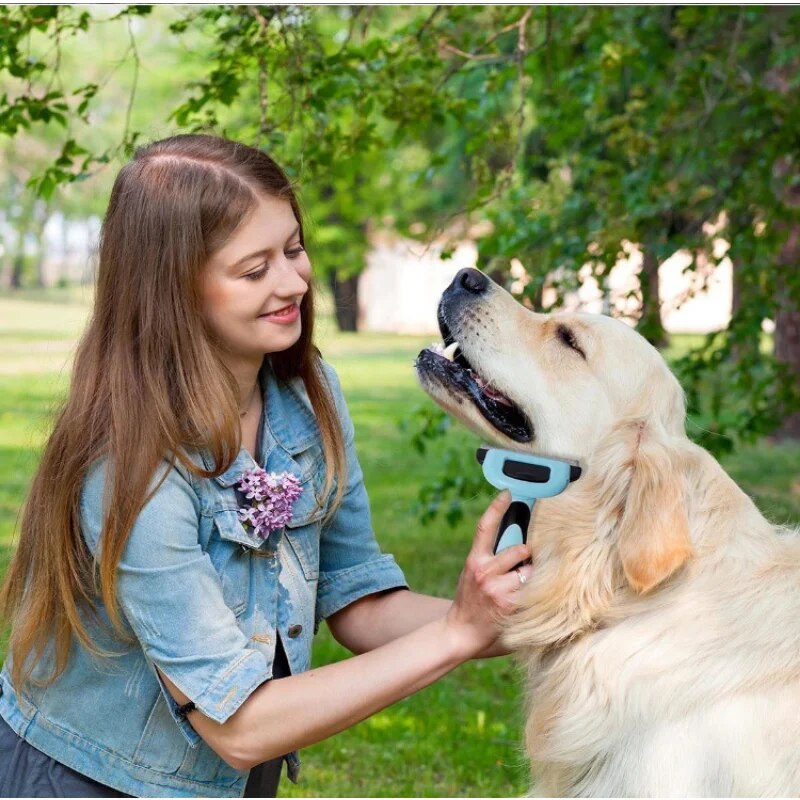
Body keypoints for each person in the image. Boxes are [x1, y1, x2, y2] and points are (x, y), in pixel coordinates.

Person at [0, 134, 532, 798]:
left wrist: (549, 616)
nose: (293, 282)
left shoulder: (308, 398)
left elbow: (361, 604)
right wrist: (457, 632)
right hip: (94, 778)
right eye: (254, 270)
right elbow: (239, 726)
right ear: (174, 290)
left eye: (294, 249)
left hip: (241, 777)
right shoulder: (130, 468)